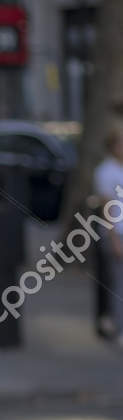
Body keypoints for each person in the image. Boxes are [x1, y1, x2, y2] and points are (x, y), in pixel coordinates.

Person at [92, 128, 123, 344]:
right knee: (118, 285)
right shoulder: (106, 172)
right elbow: (106, 209)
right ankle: (119, 329)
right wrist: (114, 240)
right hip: (118, 234)